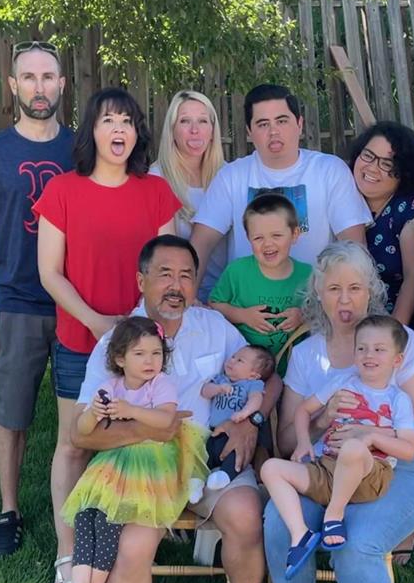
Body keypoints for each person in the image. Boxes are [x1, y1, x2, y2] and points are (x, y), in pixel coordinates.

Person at [70, 235, 281, 583]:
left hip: (211, 458)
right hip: (145, 468)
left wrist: (252, 422)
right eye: (165, 274)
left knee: (247, 517)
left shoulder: (215, 328)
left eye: (186, 275)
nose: (176, 285)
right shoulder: (116, 342)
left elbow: (270, 378)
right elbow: (82, 434)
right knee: (131, 550)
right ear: (141, 280)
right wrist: (151, 432)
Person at [264, 241, 414, 583]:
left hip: (397, 468)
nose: (345, 300)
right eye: (334, 288)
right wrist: (324, 419)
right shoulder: (307, 355)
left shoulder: (395, 342)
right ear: (317, 293)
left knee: (356, 545)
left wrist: (370, 434)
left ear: (371, 291)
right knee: (279, 522)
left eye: (355, 288)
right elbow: (289, 442)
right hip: (324, 467)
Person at [34, 87, 179, 583]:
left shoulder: (155, 192)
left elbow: (165, 270)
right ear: (91, 132)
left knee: (140, 434)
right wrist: (96, 322)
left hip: (144, 345)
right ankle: (68, 553)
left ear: (137, 133)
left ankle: (138, 535)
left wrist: (138, 327)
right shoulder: (62, 191)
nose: (119, 130)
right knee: (74, 442)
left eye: (127, 121)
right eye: (108, 120)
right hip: (81, 338)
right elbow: (49, 273)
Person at [0, 40, 74, 556]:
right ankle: (9, 511)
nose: (39, 87)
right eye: (29, 77)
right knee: (12, 416)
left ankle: (83, 510)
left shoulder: (81, 150)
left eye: (48, 77)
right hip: (16, 302)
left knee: (84, 418)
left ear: (62, 84)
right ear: (13, 85)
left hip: (75, 302)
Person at [41, 316, 207, 583]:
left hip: (150, 464)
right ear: (120, 359)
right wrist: (93, 413)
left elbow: (165, 420)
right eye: (140, 354)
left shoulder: (160, 384)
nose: (150, 361)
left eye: (156, 353)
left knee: (109, 518)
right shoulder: (111, 386)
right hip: (116, 462)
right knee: (87, 513)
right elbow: (83, 429)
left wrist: (131, 410)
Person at [262, 314, 414, 582]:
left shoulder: (397, 399)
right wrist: (303, 442)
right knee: (271, 468)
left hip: (370, 475)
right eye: (362, 348)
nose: (369, 355)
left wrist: (370, 437)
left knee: (354, 449)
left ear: (397, 360)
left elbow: (408, 449)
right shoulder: (343, 382)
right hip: (328, 470)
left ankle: (334, 515)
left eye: (379, 349)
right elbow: (303, 410)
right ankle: (301, 535)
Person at [190, 83, 371, 291]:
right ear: (249, 131)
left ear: (299, 124)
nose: (273, 131)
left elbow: (354, 247)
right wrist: (190, 296)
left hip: (315, 300)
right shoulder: (231, 176)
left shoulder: (330, 171)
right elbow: (201, 244)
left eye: (282, 121)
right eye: (263, 124)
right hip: (246, 304)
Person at [209, 192, 311, 375]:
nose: (267, 244)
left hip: (292, 372)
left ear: (295, 234)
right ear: (248, 238)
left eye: (276, 235)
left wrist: (303, 316)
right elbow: (213, 305)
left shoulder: (308, 275)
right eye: (258, 238)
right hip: (241, 374)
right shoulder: (237, 271)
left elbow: (323, 313)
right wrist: (243, 315)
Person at [150, 89, 227, 302]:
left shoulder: (228, 176)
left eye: (203, 121)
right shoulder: (156, 179)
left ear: (212, 130)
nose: (195, 130)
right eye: (185, 121)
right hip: (177, 297)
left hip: (227, 299)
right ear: (172, 129)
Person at [349, 121, 414, 324]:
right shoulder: (343, 195)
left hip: (398, 324)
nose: (372, 167)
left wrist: (393, 332)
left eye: (386, 164)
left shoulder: (410, 209)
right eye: (368, 155)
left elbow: (413, 277)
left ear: (404, 172)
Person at [201, 344, 275, 492]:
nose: (232, 360)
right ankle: (198, 481)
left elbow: (256, 399)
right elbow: (205, 391)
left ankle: (225, 475)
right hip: (214, 431)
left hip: (235, 432)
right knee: (206, 454)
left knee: (236, 455)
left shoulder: (252, 384)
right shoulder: (221, 379)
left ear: (253, 375)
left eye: (240, 360)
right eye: (233, 356)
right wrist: (218, 389)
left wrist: (245, 413)